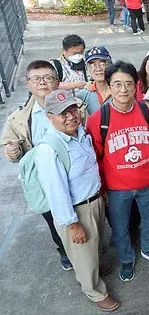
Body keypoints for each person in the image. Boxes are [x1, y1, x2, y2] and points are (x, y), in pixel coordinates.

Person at [35, 91, 119, 312]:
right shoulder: (49, 148)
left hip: (94, 200)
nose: (71, 116)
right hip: (76, 211)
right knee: (83, 255)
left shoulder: (79, 133)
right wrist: (72, 224)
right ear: (49, 116)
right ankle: (94, 291)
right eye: (63, 113)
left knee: (95, 244)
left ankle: (96, 268)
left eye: (73, 110)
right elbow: (56, 192)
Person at [1, 60, 87, 272]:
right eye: (36, 79)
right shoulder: (19, 118)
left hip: (76, 176)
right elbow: (10, 145)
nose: (42, 83)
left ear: (57, 82)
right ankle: (64, 251)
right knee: (54, 219)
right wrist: (12, 151)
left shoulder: (78, 107)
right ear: (28, 84)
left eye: (48, 78)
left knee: (81, 216)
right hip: (45, 182)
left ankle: (88, 253)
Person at [86, 61, 149, 282]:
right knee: (120, 228)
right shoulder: (98, 119)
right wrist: (102, 189)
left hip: (148, 183)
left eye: (128, 84)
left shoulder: (144, 110)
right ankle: (126, 260)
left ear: (136, 86)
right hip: (117, 188)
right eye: (117, 84)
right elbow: (95, 158)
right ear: (109, 86)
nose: (123, 90)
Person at [77, 46, 113, 114]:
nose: (98, 68)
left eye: (102, 63)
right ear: (87, 69)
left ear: (110, 65)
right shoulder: (83, 95)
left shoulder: (120, 91)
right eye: (92, 65)